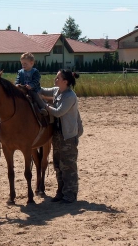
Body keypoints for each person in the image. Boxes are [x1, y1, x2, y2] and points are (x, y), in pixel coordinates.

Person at [40, 69, 80, 203]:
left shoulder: (70, 96)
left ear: (65, 81)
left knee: (68, 165)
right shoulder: (57, 91)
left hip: (68, 136)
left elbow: (58, 112)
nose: (55, 80)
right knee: (58, 164)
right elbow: (43, 90)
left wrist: (45, 105)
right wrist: (31, 86)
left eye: (58, 78)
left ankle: (70, 194)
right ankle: (61, 192)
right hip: (57, 134)